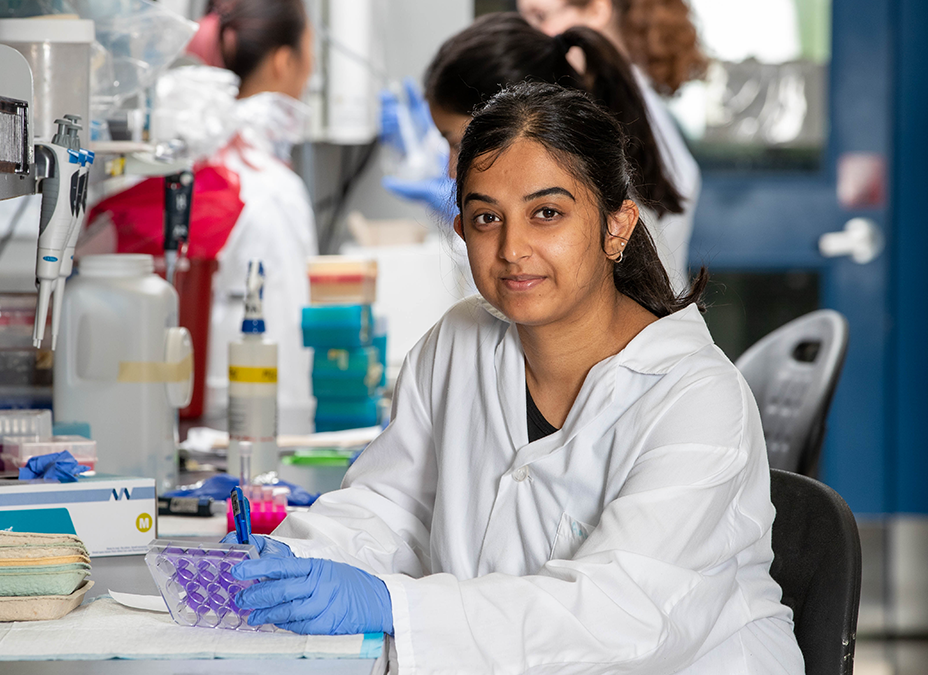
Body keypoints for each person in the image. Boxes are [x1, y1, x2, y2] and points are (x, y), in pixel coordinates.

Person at [224, 82, 805, 674]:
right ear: (461, 232)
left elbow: (617, 614)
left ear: (617, 226)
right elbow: (391, 507)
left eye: (546, 213)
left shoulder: (696, 398)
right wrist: (289, 557)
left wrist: (393, 604)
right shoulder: (459, 343)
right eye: (486, 218)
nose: (512, 247)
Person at [424, 13, 689, 290]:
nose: (452, 170)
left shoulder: (610, 226)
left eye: (548, 213)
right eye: (488, 218)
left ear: (522, 119)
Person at [516, 0, 705, 294]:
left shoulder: (625, 124)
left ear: (596, 9)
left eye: (540, 17)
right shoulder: (628, 109)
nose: (530, 37)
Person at [195, 0, 316, 427]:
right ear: (285, 61)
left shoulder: (198, 157)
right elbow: (280, 339)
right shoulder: (270, 189)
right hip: (254, 429)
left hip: (201, 415)